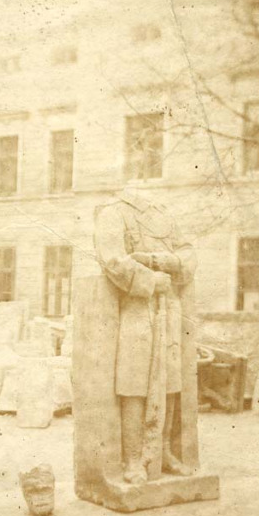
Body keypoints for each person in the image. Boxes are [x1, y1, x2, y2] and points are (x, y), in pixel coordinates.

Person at [94, 183, 197, 483]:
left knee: (170, 377)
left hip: (171, 305)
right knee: (135, 381)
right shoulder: (113, 213)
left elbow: (189, 252)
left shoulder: (163, 212)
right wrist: (150, 281)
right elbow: (112, 259)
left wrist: (161, 261)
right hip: (136, 307)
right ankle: (133, 459)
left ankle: (162, 452)